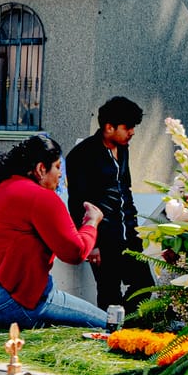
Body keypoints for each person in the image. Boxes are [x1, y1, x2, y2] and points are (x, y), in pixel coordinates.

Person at [0, 134, 107, 328]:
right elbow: (75, 252)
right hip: (6, 302)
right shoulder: (41, 196)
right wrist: (91, 222)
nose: (60, 175)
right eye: (57, 167)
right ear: (40, 169)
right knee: (108, 323)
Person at [65, 96, 151, 311]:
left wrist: (133, 226)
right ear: (109, 127)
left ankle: (131, 329)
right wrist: (91, 246)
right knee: (109, 292)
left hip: (128, 235)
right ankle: (112, 336)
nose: (132, 132)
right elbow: (76, 201)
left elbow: (125, 190)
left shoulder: (123, 149)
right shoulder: (82, 154)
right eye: (128, 127)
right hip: (102, 238)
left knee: (145, 286)